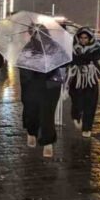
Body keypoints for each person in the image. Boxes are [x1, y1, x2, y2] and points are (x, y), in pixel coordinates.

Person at [19, 27, 64, 158]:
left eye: (40, 33)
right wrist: (33, 64)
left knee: (47, 114)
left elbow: (64, 60)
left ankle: (47, 142)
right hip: (32, 84)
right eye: (34, 33)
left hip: (50, 85)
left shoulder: (54, 47)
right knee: (31, 111)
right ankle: (31, 132)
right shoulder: (28, 48)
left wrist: (50, 62)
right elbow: (22, 67)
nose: (37, 35)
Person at [68, 27, 100, 138]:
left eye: (86, 38)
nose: (83, 40)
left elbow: (94, 56)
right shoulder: (72, 48)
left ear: (90, 38)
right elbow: (73, 60)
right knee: (77, 100)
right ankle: (76, 116)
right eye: (81, 38)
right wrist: (84, 59)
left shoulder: (97, 47)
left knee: (90, 103)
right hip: (76, 79)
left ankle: (87, 128)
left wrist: (81, 59)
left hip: (91, 79)